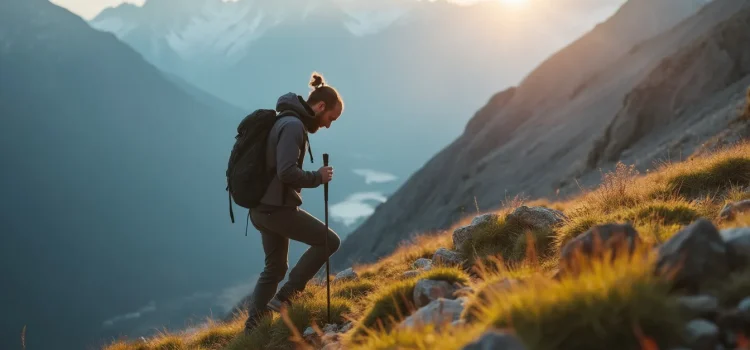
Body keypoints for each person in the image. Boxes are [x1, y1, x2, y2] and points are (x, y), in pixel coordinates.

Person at [244, 72, 344, 333]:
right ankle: (287, 298)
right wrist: (318, 177)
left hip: (261, 209)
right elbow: (286, 172)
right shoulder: (293, 126)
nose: (329, 125)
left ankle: (253, 330)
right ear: (320, 107)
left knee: (275, 267)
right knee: (328, 241)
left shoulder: (285, 120)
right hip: (275, 210)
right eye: (330, 118)